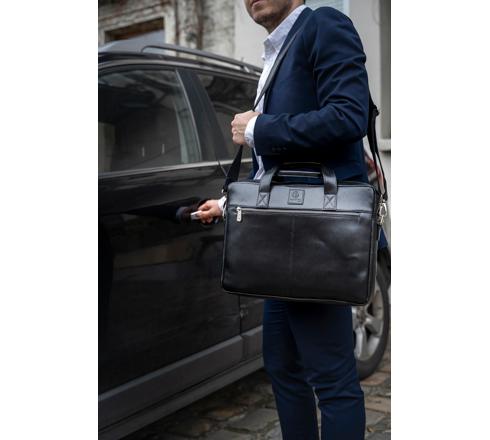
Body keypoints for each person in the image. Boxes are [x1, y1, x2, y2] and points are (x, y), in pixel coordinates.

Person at [198, 1, 377, 438]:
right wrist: (227, 201)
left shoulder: (325, 25)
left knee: (331, 378)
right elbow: (277, 168)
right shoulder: (277, 51)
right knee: (283, 366)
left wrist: (258, 128)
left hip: (315, 237)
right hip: (285, 237)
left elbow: (348, 115)